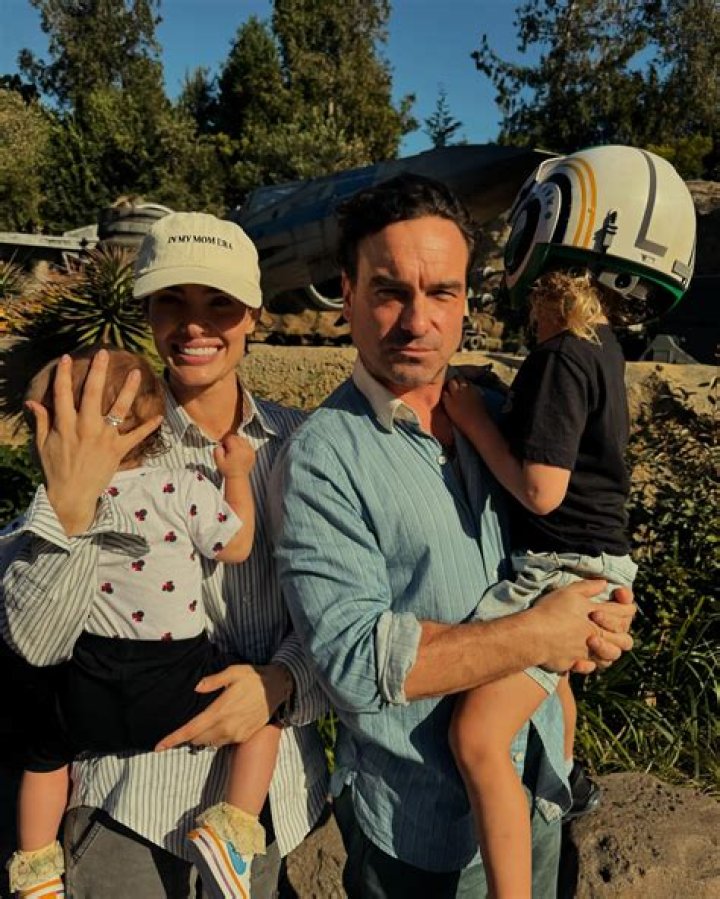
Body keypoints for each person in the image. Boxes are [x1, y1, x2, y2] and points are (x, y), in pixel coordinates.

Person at [270, 173, 637, 898]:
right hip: (419, 833)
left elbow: (567, 547)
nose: (418, 320)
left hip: (537, 791)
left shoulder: (498, 412)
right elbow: (354, 661)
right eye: (389, 291)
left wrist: (599, 619)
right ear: (346, 295)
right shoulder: (322, 457)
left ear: (467, 299)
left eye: (441, 291)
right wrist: (541, 633)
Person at [0, 213, 328, 899]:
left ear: (254, 315)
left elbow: (346, 614)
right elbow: (34, 640)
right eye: (172, 300)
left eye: (219, 303)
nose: (195, 324)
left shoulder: (305, 445)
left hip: (268, 806)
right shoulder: (97, 446)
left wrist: (282, 682)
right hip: (132, 801)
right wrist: (70, 507)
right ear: (147, 311)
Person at [438, 145, 697, 897]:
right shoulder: (599, 351)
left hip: (561, 568)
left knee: (475, 735)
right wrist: (496, 394)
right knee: (552, 687)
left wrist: (470, 418)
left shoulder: (559, 358)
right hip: (596, 562)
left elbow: (542, 489)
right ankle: (568, 782)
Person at [7, 344, 281, 899]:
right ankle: (231, 832)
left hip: (90, 686)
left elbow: (28, 635)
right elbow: (237, 546)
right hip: (175, 677)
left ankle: (36, 868)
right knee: (263, 715)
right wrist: (235, 475)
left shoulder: (46, 510)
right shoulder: (178, 486)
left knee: (44, 751)